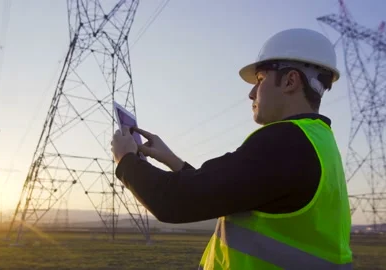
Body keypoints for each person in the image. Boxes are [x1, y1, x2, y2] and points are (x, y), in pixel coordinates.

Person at [111, 28, 353, 270]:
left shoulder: (285, 141)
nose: (251, 93)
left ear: (290, 81)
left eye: (260, 80)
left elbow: (174, 202)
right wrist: (172, 160)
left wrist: (127, 160)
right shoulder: (318, 141)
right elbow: (224, 191)